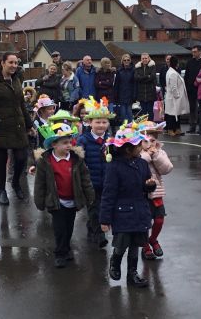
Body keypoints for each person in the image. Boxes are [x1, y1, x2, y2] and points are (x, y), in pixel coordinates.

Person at [100, 124, 156, 287]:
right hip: (122, 212)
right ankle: (115, 261)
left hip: (140, 210)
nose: (141, 148)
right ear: (127, 149)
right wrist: (105, 219)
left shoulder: (142, 164)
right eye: (138, 146)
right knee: (122, 243)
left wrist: (150, 185)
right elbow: (108, 194)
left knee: (136, 244)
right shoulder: (114, 167)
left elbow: (146, 185)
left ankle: (133, 274)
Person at [34, 123, 95, 268]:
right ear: (54, 144)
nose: (69, 145)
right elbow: (40, 183)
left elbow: (85, 179)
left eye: (70, 142)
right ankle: (60, 254)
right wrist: (39, 201)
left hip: (72, 200)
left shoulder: (76, 159)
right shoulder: (45, 161)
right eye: (65, 143)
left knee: (68, 228)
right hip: (57, 201)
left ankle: (66, 248)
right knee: (60, 229)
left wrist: (90, 196)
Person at [0, 52, 34, 206]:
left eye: (16, 63)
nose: (14, 65)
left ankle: (15, 182)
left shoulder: (16, 79)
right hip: (0, 125)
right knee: (1, 159)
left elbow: (21, 104)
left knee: (21, 157)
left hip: (18, 124)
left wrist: (29, 125)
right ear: (2, 63)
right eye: (11, 62)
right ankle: (2, 191)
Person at [77, 97, 115, 248]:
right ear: (90, 122)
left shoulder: (111, 141)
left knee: (103, 207)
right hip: (90, 182)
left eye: (104, 122)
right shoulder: (83, 140)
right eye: (97, 122)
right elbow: (79, 161)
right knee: (93, 209)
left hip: (106, 182)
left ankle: (92, 228)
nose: (101, 125)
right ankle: (99, 235)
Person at [139, 120, 173, 260]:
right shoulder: (137, 153)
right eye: (145, 141)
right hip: (141, 193)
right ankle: (145, 245)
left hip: (156, 192)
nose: (149, 144)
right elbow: (139, 164)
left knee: (159, 219)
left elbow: (167, 169)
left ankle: (153, 239)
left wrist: (156, 155)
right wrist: (147, 155)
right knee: (144, 221)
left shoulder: (160, 152)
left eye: (152, 140)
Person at [165, 56, 190, 136]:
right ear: (176, 63)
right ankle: (170, 129)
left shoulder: (172, 71)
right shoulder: (172, 73)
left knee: (177, 114)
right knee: (172, 114)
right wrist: (177, 96)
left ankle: (177, 129)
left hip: (174, 97)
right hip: (174, 97)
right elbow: (173, 87)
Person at [184, 45, 201, 133]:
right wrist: (186, 87)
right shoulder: (190, 62)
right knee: (192, 108)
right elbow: (186, 75)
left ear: (200, 51)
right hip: (191, 89)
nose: (193, 53)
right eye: (192, 52)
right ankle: (192, 126)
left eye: (195, 52)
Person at [134, 53, 157, 121]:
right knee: (143, 112)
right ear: (141, 59)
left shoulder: (152, 66)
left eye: (146, 58)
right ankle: (144, 125)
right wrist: (147, 76)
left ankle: (151, 125)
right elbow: (136, 78)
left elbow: (152, 77)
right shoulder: (137, 67)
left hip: (150, 93)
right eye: (143, 58)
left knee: (150, 111)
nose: (144, 60)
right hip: (141, 94)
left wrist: (141, 78)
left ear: (148, 58)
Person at [114, 54, 136, 123]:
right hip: (121, 93)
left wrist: (134, 95)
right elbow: (116, 83)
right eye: (125, 60)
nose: (126, 61)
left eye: (128, 60)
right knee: (122, 112)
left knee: (129, 111)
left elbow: (135, 84)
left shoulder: (133, 70)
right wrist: (115, 94)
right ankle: (123, 126)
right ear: (122, 61)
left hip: (130, 93)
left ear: (130, 61)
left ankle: (131, 126)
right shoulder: (119, 70)